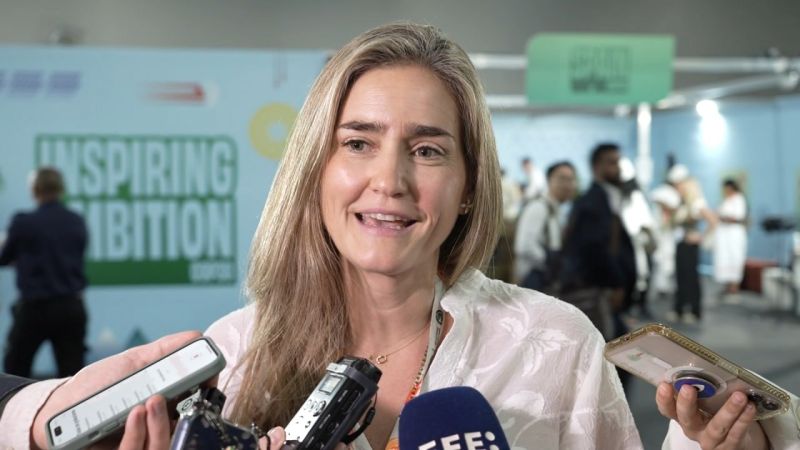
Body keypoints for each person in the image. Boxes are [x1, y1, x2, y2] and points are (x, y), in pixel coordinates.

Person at [1, 23, 794, 450]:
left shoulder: (554, 346)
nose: (391, 180)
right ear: (315, 171)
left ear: (469, 184)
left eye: (428, 149)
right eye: (358, 142)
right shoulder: (233, 354)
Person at [0, 167, 88, 378]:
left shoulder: (23, 223)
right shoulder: (76, 221)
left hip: (35, 309)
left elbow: (4, 258)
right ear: (61, 188)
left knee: (15, 372)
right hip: (70, 307)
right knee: (73, 378)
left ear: (35, 190)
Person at [559, 143, 636, 343]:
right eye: (612, 163)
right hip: (597, 289)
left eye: (618, 162)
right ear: (596, 167)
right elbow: (595, 247)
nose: (617, 168)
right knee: (604, 344)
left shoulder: (606, 197)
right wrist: (616, 282)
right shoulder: (594, 201)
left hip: (603, 287)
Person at [514, 161, 576, 291]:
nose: (567, 185)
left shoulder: (555, 210)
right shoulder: (538, 207)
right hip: (532, 281)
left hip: (544, 280)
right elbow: (524, 246)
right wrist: (550, 262)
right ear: (549, 180)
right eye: (562, 179)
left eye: (571, 180)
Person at [666, 164, 716, 324]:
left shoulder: (696, 201)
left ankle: (694, 311)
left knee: (691, 279)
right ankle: (680, 309)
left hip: (690, 245)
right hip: (681, 243)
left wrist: (700, 237)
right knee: (681, 277)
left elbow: (712, 220)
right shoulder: (682, 202)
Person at [618, 158, 657, 318]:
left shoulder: (635, 196)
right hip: (626, 243)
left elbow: (644, 221)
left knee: (642, 275)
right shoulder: (618, 195)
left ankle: (639, 305)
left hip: (637, 242)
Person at [713, 178, 748, 296]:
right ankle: (727, 286)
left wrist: (724, 218)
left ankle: (734, 288)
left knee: (735, 258)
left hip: (734, 234)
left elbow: (738, 217)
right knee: (724, 259)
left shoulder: (739, 199)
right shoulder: (725, 200)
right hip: (724, 235)